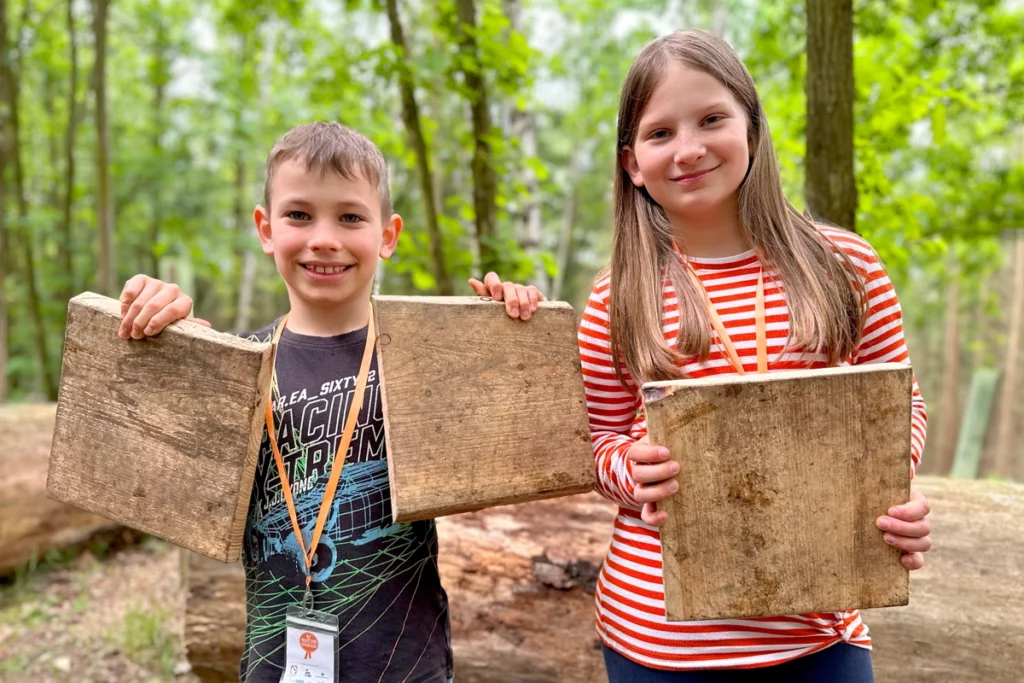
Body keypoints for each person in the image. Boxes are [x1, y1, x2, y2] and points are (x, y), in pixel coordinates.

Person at [473, 29, 931, 683]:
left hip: (818, 633)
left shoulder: (845, 265)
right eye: (661, 133)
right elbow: (595, 442)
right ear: (632, 162)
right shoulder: (617, 295)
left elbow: (900, 403)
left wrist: (886, 491)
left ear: (752, 126)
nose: (689, 149)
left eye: (712, 119)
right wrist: (631, 469)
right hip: (658, 641)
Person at [117, 121, 540, 683]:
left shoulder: (429, 360)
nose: (323, 237)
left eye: (349, 217)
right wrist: (163, 340)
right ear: (265, 230)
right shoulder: (236, 363)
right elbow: (157, 470)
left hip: (405, 666)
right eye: (299, 215)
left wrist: (509, 328)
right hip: (275, 667)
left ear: (387, 236)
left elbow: (520, 438)